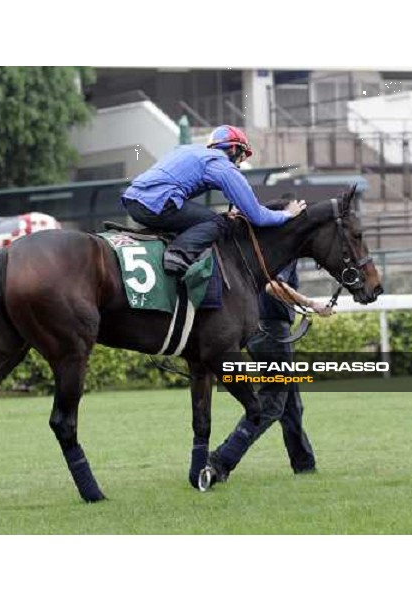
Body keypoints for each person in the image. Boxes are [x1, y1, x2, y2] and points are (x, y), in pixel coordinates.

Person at [121, 125, 306, 276]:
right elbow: (257, 216)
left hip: (132, 201)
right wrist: (287, 214)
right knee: (216, 221)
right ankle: (178, 255)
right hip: (158, 204)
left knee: (203, 218)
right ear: (234, 149)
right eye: (241, 157)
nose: (239, 164)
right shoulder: (222, 165)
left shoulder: (189, 150)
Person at [209, 260, 334, 479]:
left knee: (291, 405)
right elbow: (273, 286)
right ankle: (222, 459)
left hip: (259, 329)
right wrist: (311, 303)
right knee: (272, 403)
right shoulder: (286, 250)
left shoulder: (265, 246)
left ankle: (304, 465)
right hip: (272, 333)